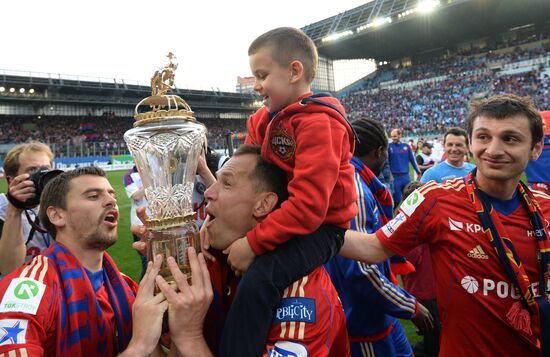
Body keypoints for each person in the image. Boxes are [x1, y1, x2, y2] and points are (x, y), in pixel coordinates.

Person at [341, 94, 550, 356]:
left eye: (510, 139)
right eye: (484, 137)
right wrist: (308, 225)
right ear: (472, 143)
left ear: (536, 148)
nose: (494, 150)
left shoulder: (545, 208)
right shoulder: (435, 198)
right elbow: (373, 247)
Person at [203, 27, 357, 356]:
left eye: (262, 75)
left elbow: (310, 207)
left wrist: (252, 243)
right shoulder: (264, 119)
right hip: (290, 215)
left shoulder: (320, 122)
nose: (256, 85)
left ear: (294, 71)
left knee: (261, 279)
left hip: (322, 228)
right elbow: (248, 174)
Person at [155, 144, 349, 356]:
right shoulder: (213, 254)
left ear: (263, 204)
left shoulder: (302, 300)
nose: (208, 193)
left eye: (226, 184)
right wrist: (164, 263)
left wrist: (189, 337)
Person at [0, 167, 169, 356]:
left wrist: (168, 259)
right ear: (57, 215)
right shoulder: (30, 289)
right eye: (93, 196)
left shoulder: (125, 286)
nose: (111, 201)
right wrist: (139, 347)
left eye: (111, 194)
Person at [324, 118, 433, 357]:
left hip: (379, 311)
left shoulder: (354, 179)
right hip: (363, 317)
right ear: (380, 151)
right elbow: (361, 271)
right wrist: (410, 306)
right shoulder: (355, 190)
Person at [400, 181, 441, 357]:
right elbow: (407, 261)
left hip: (434, 291)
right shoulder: (412, 231)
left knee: (436, 332)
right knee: (435, 336)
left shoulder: (429, 225)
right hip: (423, 294)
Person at [0, 143, 54, 278]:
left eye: (46, 169)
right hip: (16, 290)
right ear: (10, 179)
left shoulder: (55, 206)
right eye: (32, 170)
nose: (42, 175)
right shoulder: (2, 211)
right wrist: (15, 209)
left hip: (52, 286)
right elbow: (9, 269)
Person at [124, 165, 149, 279]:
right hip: (139, 225)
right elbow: (136, 196)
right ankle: (142, 291)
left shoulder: (156, 169)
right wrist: (150, 181)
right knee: (147, 260)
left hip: (157, 222)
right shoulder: (129, 175)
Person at [388, 128, 421, 204]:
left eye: (395, 136)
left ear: (400, 135)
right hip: (395, 178)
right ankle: (392, 215)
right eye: (392, 136)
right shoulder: (389, 147)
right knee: (396, 200)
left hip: (406, 177)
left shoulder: (406, 146)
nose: (393, 138)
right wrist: (389, 174)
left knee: (409, 199)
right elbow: (386, 162)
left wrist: (418, 172)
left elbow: (412, 160)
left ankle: (407, 215)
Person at [526, 111, 550, 194]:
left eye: (543, 124)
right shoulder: (526, 144)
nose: (542, 127)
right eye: (540, 124)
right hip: (537, 186)